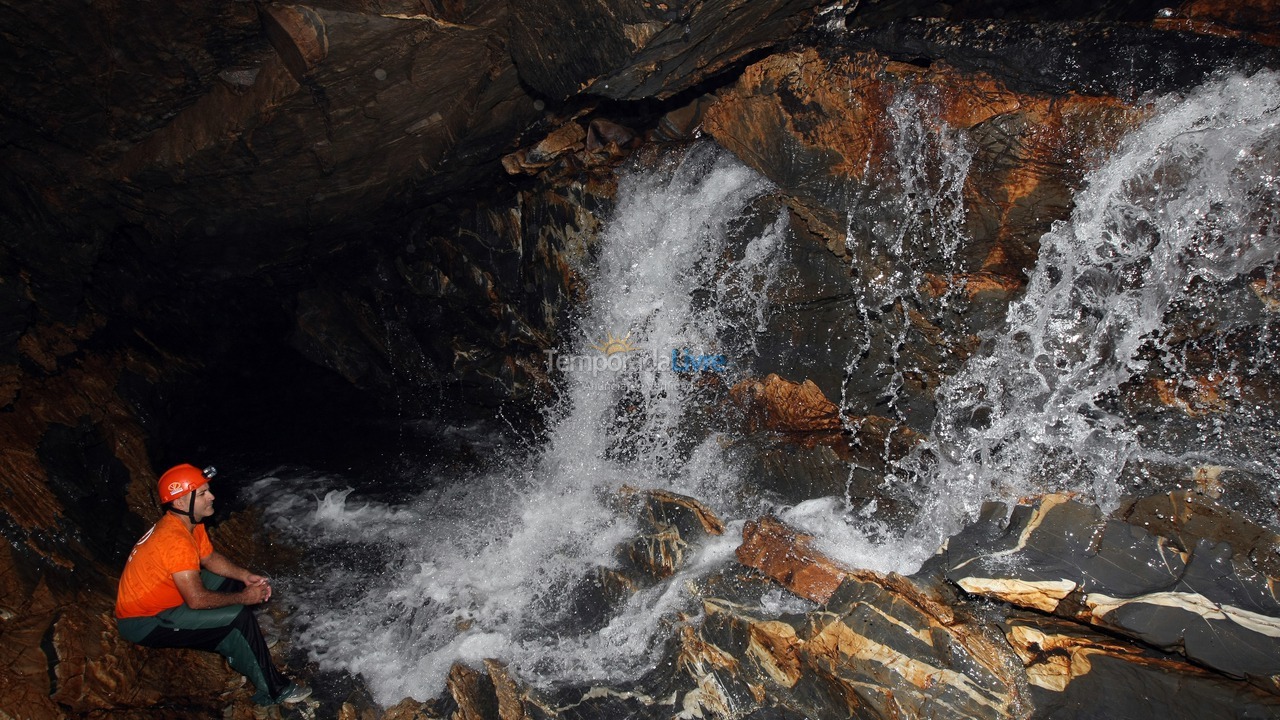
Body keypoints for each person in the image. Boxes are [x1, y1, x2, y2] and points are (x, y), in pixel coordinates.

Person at [115, 463, 310, 707]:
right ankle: (274, 690)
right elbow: (196, 600)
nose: (212, 496)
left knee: (229, 581)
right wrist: (245, 598)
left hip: (167, 596)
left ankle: (243, 644)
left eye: (209, 490)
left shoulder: (188, 523)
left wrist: (244, 576)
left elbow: (208, 558)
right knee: (239, 616)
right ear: (180, 503)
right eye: (204, 493)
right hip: (145, 620)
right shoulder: (175, 540)